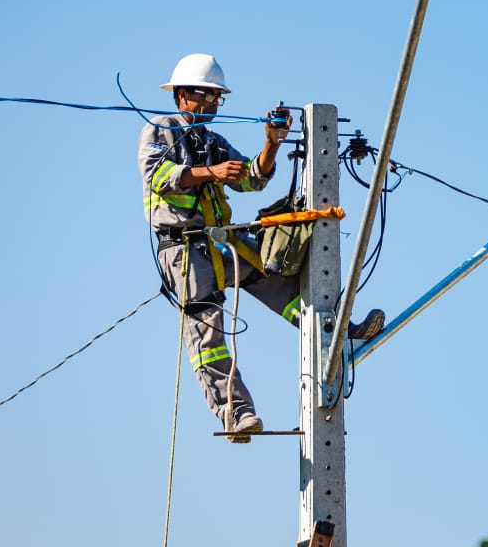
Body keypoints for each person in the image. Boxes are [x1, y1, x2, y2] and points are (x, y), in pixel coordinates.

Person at [138, 53, 384, 443]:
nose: (214, 105)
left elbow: (252, 179)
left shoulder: (212, 141)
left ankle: (341, 335)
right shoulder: (161, 129)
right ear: (183, 94)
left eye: (218, 98)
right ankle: (236, 414)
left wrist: (271, 145)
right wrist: (210, 173)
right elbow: (160, 176)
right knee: (209, 337)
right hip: (184, 249)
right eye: (207, 96)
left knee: (282, 280)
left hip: (222, 242)